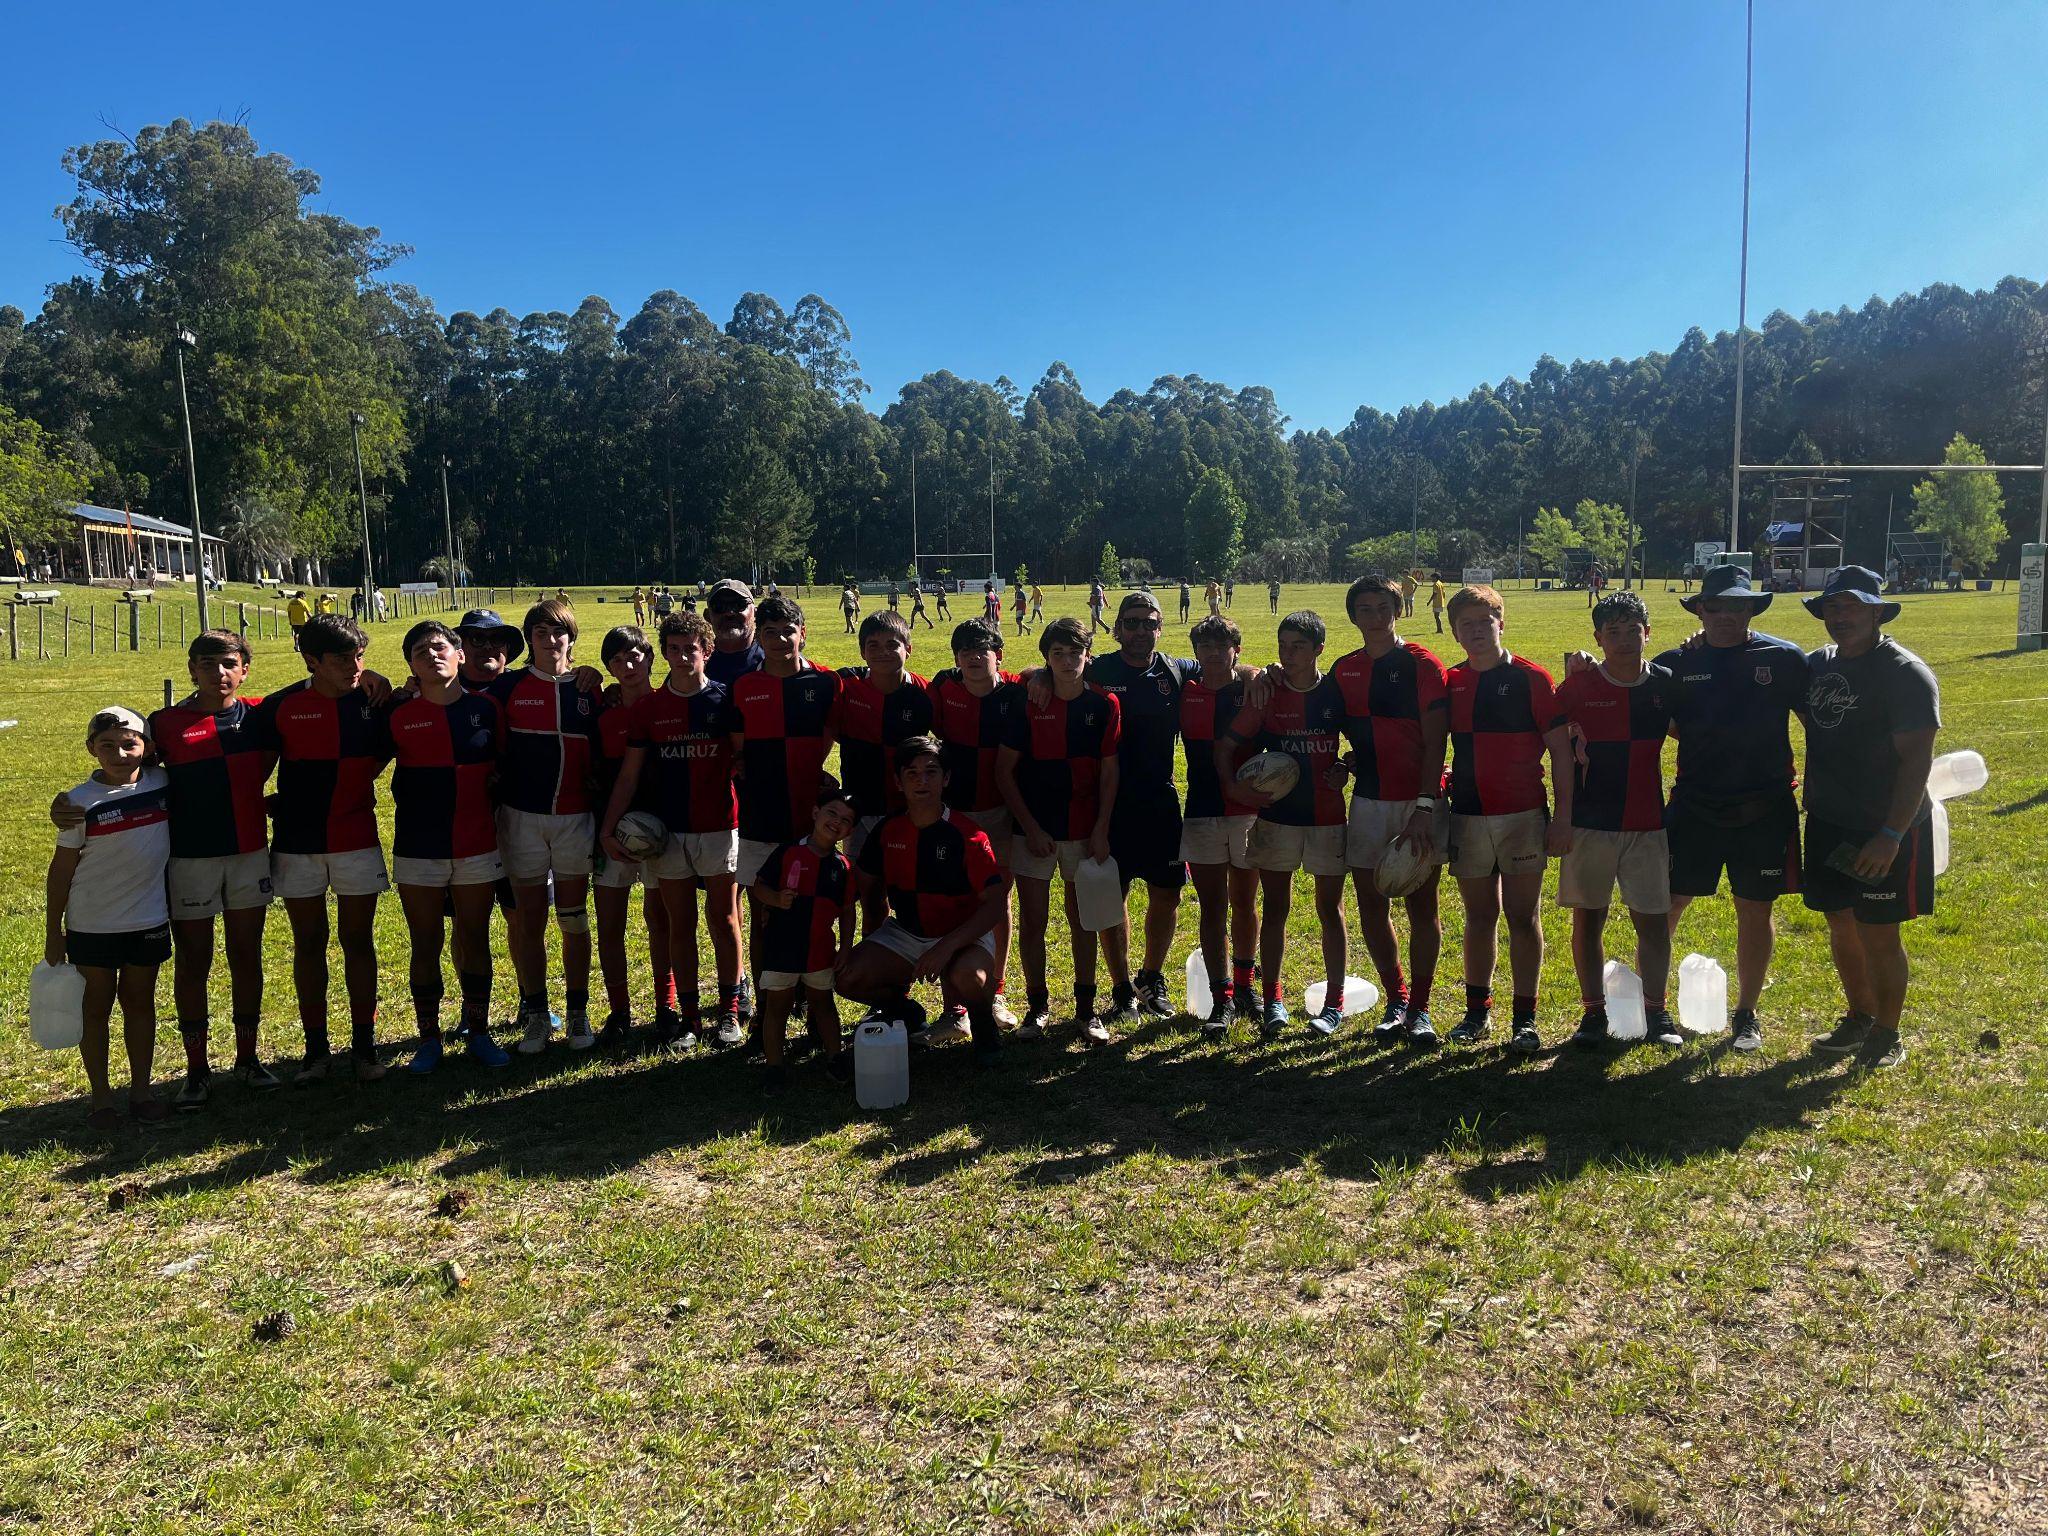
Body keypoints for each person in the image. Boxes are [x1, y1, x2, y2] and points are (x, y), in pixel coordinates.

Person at [56, 632, 279, 1105]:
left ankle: (247, 1059)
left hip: (249, 853)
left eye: (228, 663)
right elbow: (127, 773)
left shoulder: (261, 715)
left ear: (244, 670)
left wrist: (382, 683)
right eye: (207, 664)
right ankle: (197, 1070)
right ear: (191, 669)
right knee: (194, 961)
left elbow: (317, 691)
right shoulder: (165, 723)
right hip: (189, 859)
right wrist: (71, 802)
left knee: (246, 955)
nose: (219, 673)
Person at [1650, 565, 1807, 1050]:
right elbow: (1661, 722)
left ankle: (1746, 1012)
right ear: (1699, 609)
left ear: (1751, 610)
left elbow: (1818, 724)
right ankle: (1653, 1007)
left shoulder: (1784, 659)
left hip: (1765, 809)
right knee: (1667, 904)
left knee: (1755, 909)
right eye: (1714, 605)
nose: (1725, 615)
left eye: (1736, 606)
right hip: (1695, 805)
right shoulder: (1673, 663)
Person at [1797, 567, 1937, 1069]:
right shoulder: (1818, 665)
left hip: (1884, 827)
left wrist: (1891, 834)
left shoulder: (1904, 673)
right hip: (1829, 821)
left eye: (1852, 606)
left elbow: (1917, 761)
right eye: (1832, 607)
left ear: (1877, 612)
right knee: (1840, 919)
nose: (1840, 616)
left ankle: (1887, 1033)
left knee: (1879, 930)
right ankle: (1860, 1015)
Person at [256, 614, 392, 1083]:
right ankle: (316, 1051)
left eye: (360, 656)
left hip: (357, 839)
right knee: (309, 941)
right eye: (341, 659)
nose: (355, 667)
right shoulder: (280, 706)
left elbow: (381, 756)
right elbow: (250, 772)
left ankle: (365, 1048)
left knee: (358, 940)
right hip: (298, 843)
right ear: (311, 660)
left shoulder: (376, 701)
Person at [601, 612, 744, 1048]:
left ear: (707, 651)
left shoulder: (726, 700)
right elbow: (629, 775)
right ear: (663, 653)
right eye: (674, 649)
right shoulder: (649, 708)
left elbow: (744, 762)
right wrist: (608, 829)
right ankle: (689, 1018)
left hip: (719, 826)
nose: (683, 657)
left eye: (691, 649)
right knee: (679, 924)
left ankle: (730, 1012)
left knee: (724, 919)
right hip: (668, 833)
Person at [1441, 586, 1572, 1053]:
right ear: (1455, 633)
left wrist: (1563, 817)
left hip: (1522, 815)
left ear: (1502, 623)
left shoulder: (1532, 679)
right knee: (1479, 916)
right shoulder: (1451, 682)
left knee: (1522, 915)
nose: (1477, 631)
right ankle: (1477, 1013)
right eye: (1467, 624)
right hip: (1469, 814)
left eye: (1485, 621)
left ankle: (1525, 1019)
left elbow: (1560, 753)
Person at [381, 622, 513, 1073]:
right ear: (411, 666)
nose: (432, 655)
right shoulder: (397, 714)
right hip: (419, 846)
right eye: (420, 651)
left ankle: (479, 1032)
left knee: (474, 937)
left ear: (459, 655)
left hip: (477, 843)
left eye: (440, 647)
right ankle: (429, 1040)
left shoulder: (487, 708)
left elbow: (505, 765)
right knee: (425, 942)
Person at [1553, 592, 1683, 1048]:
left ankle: (1657, 1012)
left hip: (1647, 824)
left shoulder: (1666, 684)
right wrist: (1561, 816)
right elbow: (1548, 738)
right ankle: (1593, 1013)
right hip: (1591, 823)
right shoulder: (1580, 687)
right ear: (1598, 638)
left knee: (1653, 922)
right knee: (1589, 920)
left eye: (1633, 630)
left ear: (1648, 634)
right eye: (1614, 632)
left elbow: (1689, 734)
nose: (1625, 640)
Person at [1217, 611, 1351, 1036]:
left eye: (1298, 647)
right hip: (1277, 819)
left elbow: (1363, 746)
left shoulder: (1335, 692)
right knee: (1275, 908)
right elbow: (1225, 747)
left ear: (1318, 650)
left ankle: (1333, 1004)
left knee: (1330, 909)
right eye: (1283, 646)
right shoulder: (1267, 692)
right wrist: (1234, 789)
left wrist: (1346, 766)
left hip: (1327, 817)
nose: (1288, 654)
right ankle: (1273, 1000)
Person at [1331, 574, 1450, 1047]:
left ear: (1398, 610)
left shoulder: (1422, 664)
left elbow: (1436, 742)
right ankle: (1396, 998)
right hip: (1368, 801)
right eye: (1365, 609)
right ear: (1353, 616)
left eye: (1384, 607)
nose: (1376, 617)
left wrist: (1424, 806)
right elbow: (1339, 727)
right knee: (1371, 904)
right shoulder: (1345, 670)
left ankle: (1420, 1008)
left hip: (1419, 803)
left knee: (1422, 905)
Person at [837, 736, 1007, 1063]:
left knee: (968, 978)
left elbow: (995, 904)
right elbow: (864, 890)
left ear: (946, 779)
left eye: (931, 772)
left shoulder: (968, 835)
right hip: (907, 932)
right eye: (912, 773)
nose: (922, 781)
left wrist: (947, 947)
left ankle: (985, 1029)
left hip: (962, 935)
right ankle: (907, 1013)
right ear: (898, 782)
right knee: (846, 977)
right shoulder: (887, 831)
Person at [997, 616, 1128, 1040]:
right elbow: (1004, 773)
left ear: (1088, 655)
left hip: (1083, 830)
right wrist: (1030, 827)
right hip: (1033, 832)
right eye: (1058, 654)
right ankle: (1037, 1007)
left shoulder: (1104, 704)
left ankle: (1085, 1010)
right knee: (1034, 920)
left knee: (1083, 920)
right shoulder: (1027, 702)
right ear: (1046, 658)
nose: (1068, 661)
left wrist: (1102, 828)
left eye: (1076, 653)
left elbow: (1110, 773)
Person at [44, 707, 173, 1129]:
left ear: (146, 747)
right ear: (91, 750)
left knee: (140, 1004)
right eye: (107, 746)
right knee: (95, 1008)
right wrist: (53, 931)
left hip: (149, 919)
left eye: (129, 744)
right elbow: (61, 870)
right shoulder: (77, 803)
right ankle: (101, 1097)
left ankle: (141, 1091)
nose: (119, 754)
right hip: (92, 924)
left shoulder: (161, 783)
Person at [489, 600, 604, 1054]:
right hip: (521, 819)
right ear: (529, 639)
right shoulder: (507, 687)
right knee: (530, 920)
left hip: (575, 819)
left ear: (571, 638)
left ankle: (577, 1012)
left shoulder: (590, 689)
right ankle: (536, 1014)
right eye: (540, 632)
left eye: (559, 632)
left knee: (573, 919)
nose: (551, 640)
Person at [731, 596, 840, 1016]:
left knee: (812, 912)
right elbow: (738, 752)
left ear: (803, 633)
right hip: (760, 818)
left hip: (809, 820)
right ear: (759, 638)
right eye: (770, 632)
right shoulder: (744, 687)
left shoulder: (827, 683)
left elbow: (835, 730)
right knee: (763, 914)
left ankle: (810, 1002)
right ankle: (766, 1008)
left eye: (788, 631)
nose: (779, 640)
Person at [929, 619, 1024, 1035]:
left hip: (1001, 814)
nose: (972, 657)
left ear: (998, 656)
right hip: (954, 815)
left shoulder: (1017, 691)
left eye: (981, 650)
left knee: (998, 901)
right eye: (964, 651)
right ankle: (954, 1009)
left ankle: (996, 990)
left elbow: (1042, 674)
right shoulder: (943, 687)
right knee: (954, 901)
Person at [590, 625, 674, 1049]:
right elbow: (597, 778)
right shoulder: (602, 716)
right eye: (617, 660)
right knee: (610, 924)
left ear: (651, 659)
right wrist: (605, 832)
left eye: (634, 656)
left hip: (659, 835)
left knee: (660, 920)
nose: (627, 666)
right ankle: (619, 1011)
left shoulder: (668, 707)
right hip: (611, 836)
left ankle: (666, 1006)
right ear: (609, 668)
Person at [1177, 615, 1258, 1033]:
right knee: (1212, 907)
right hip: (1202, 811)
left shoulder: (1252, 689)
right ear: (1195, 652)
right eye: (1204, 646)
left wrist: (1256, 673)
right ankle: (1221, 997)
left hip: (1246, 812)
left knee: (1245, 902)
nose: (1212, 653)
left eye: (1220, 646)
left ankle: (1246, 987)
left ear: (1235, 650)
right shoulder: (1184, 690)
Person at [750, 787, 860, 1091]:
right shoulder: (787, 853)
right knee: (777, 1007)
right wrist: (775, 899)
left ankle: (835, 1057)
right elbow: (759, 886)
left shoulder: (843, 867)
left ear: (850, 830)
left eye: (846, 820)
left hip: (819, 951)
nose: (836, 822)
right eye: (831, 813)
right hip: (781, 948)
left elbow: (847, 910)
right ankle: (774, 1066)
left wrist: (846, 947)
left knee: (823, 1004)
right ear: (815, 813)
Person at [834, 610, 935, 892]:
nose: (883, 652)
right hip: (860, 807)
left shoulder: (925, 693)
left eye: (892, 644)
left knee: (907, 886)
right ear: (862, 652)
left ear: (908, 649)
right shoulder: (845, 685)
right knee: (862, 888)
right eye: (873, 645)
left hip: (907, 808)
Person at [704, 579, 766, 688]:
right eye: (719, 607)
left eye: (739, 605)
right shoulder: (696, 662)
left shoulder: (773, 658)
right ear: (708, 616)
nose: (729, 613)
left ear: (756, 613)